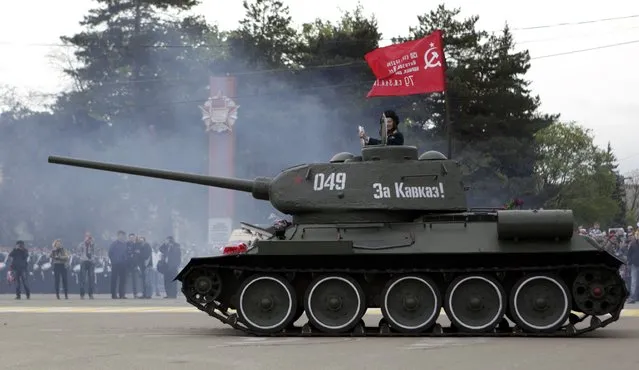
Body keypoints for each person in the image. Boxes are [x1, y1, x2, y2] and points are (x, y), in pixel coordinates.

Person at [109, 231, 128, 299]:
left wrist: (126, 260)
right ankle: (113, 294)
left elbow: (127, 253)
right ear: (118, 236)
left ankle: (122, 294)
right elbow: (110, 253)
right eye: (120, 235)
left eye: (123, 235)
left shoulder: (126, 244)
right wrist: (113, 261)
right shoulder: (114, 244)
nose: (122, 236)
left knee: (123, 280)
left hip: (123, 264)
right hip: (115, 264)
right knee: (114, 279)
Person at [77, 232, 96, 299]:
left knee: (91, 278)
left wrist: (93, 259)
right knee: (83, 278)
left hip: (91, 262)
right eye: (87, 237)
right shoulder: (81, 244)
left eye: (89, 237)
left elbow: (94, 253)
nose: (88, 238)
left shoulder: (92, 244)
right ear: (85, 237)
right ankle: (82, 294)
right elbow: (78, 252)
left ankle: (90, 294)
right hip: (84, 262)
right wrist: (82, 258)